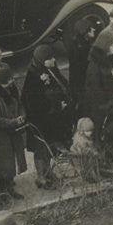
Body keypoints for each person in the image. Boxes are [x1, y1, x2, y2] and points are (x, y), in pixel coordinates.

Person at [22, 45, 73, 190]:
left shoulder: (50, 70)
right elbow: (33, 102)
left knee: (49, 147)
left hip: (52, 120)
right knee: (41, 148)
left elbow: (62, 85)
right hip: (40, 121)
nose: (54, 60)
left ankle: (48, 172)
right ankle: (41, 177)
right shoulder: (33, 76)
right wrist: (56, 106)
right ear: (42, 60)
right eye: (50, 58)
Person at [0, 63, 28, 199]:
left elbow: (20, 104)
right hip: (2, 135)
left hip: (14, 132)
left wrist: (22, 116)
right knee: (5, 163)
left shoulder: (12, 90)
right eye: (10, 78)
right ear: (4, 80)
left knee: (13, 162)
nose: (13, 80)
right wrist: (14, 122)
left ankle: (9, 186)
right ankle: (4, 191)